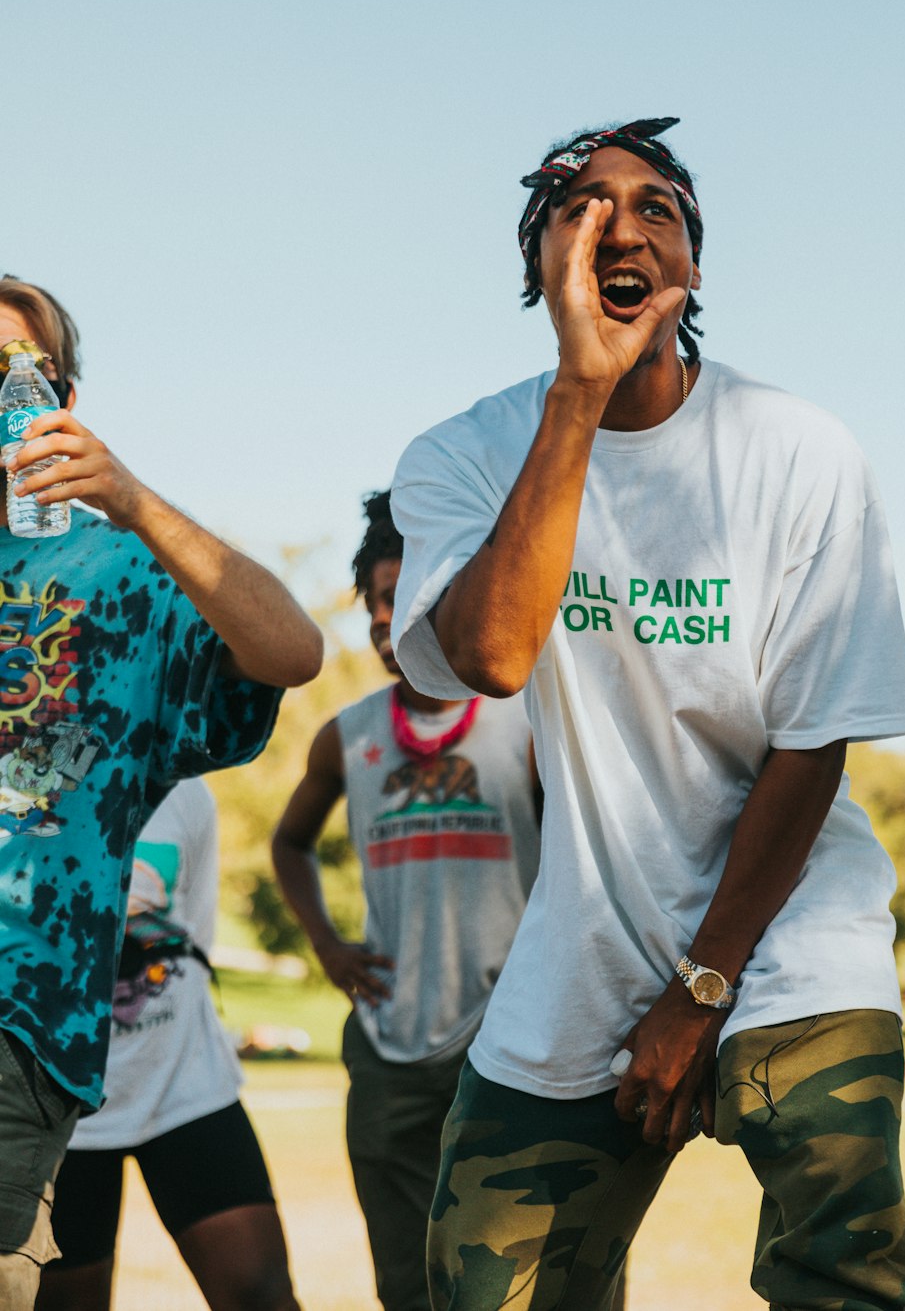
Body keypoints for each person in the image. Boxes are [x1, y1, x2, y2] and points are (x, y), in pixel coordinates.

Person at [388, 118, 905, 1311]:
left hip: (787, 929)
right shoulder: (461, 457)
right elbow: (488, 656)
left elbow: (811, 741)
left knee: (849, 1272)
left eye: (658, 209)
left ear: (693, 266)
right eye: (582, 208)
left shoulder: (798, 450)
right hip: (582, 944)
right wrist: (578, 396)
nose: (623, 226)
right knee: (478, 1287)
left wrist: (702, 987)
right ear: (541, 263)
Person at [0, 277, 322, 1309]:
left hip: (20, 1028)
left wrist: (132, 501)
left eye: (25, 369)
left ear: (63, 398)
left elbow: (291, 649)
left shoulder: (118, 576)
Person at [272, 490, 541, 1311]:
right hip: (387, 1048)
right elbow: (289, 843)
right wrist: (327, 944)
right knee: (408, 1281)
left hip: (506, 1041)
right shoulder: (346, 736)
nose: (387, 621)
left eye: (404, 598)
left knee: (527, 1276)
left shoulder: (525, 721)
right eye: (374, 604)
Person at [37, 777, 299, 1311]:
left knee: (260, 1294)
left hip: (184, 1083)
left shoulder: (187, 790)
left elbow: (193, 935)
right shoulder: (25, 786)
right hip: (63, 1099)